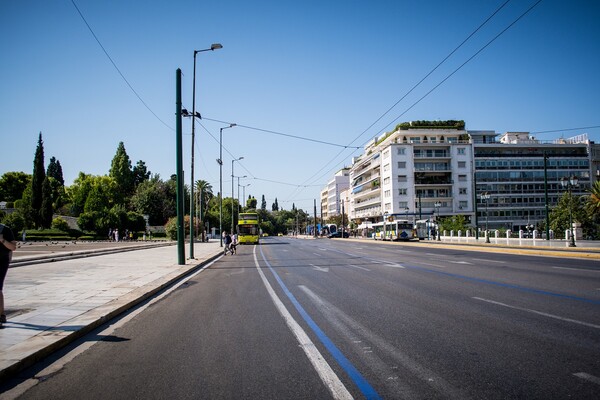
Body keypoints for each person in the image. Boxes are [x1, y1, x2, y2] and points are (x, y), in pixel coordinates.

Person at [0, 223, 17, 329]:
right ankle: (1, 315)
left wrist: (2, 240)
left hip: (1, 262)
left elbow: (13, 247)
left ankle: (1, 315)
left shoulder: (5, 229)